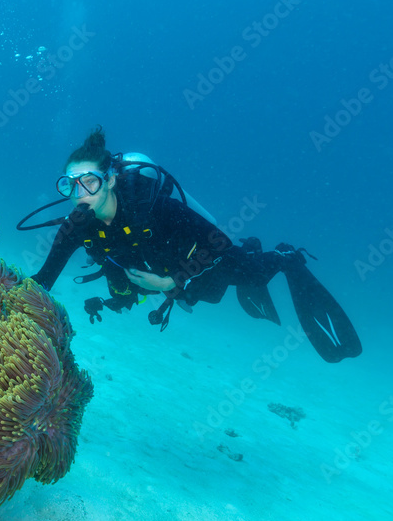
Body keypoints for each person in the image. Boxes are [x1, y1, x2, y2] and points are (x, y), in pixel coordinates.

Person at [25, 127, 361, 363]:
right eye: (70, 185)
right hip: (160, 274)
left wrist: (172, 280)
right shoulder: (76, 226)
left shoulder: (152, 207)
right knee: (200, 297)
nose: (80, 193)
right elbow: (43, 280)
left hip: (198, 259)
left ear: (110, 180)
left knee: (252, 276)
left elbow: (218, 241)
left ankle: (283, 257)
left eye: (90, 182)